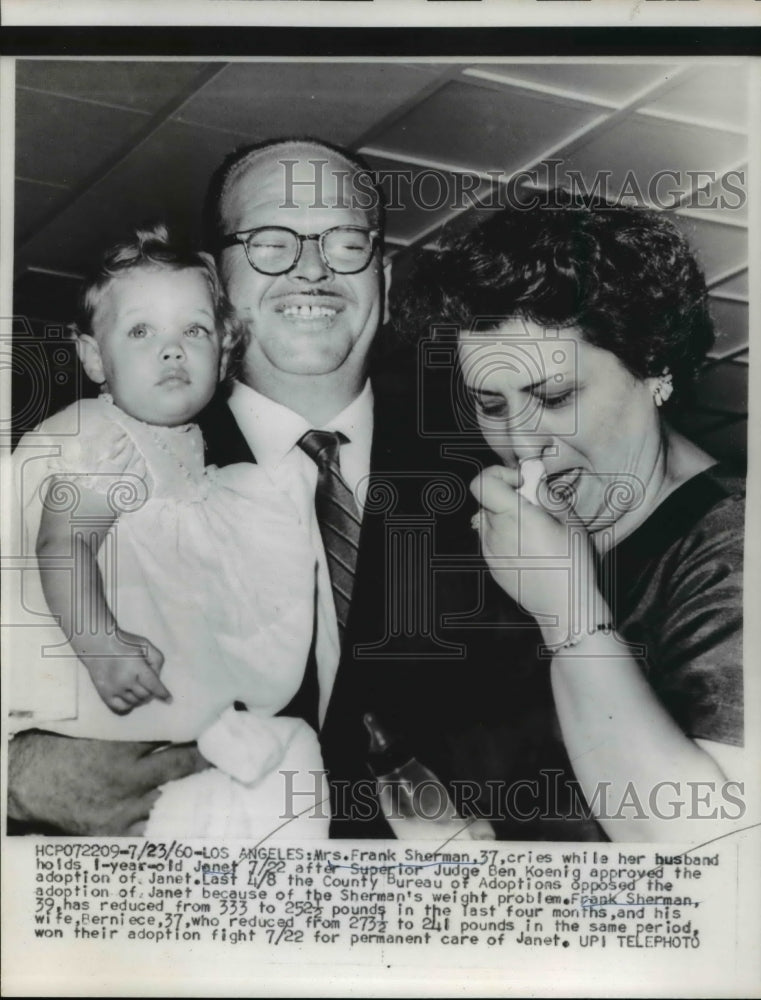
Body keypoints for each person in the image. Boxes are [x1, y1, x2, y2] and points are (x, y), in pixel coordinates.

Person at [11, 137, 540, 838]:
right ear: (217, 283)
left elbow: (554, 734)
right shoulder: (92, 453)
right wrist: (16, 779)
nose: (312, 269)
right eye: (269, 243)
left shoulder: (495, 482)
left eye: (343, 241)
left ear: (380, 275)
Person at [394, 196, 745, 841]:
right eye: (491, 405)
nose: (523, 444)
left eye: (554, 397)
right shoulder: (512, 545)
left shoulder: (734, 542)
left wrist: (568, 613)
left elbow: (712, 854)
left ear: (654, 366)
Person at [9, 224, 327, 838]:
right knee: (183, 817)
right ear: (95, 358)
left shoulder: (204, 458)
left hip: (174, 695)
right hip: (105, 679)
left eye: (195, 330)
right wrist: (100, 643)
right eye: (141, 331)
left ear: (224, 353)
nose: (173, 349)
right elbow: (64, 542)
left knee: (284, 762)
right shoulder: (100, 436)